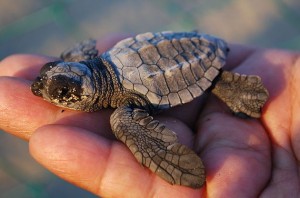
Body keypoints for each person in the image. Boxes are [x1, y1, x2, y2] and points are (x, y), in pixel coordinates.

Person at [0, 35, 299, 198]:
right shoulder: (97, 63)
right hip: (173, 43)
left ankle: (225, 84)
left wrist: (164, 155)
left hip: (197, 61)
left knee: (123, 123)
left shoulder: (123, 108)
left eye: (61, 90)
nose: (41, 90)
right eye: (48, 77)